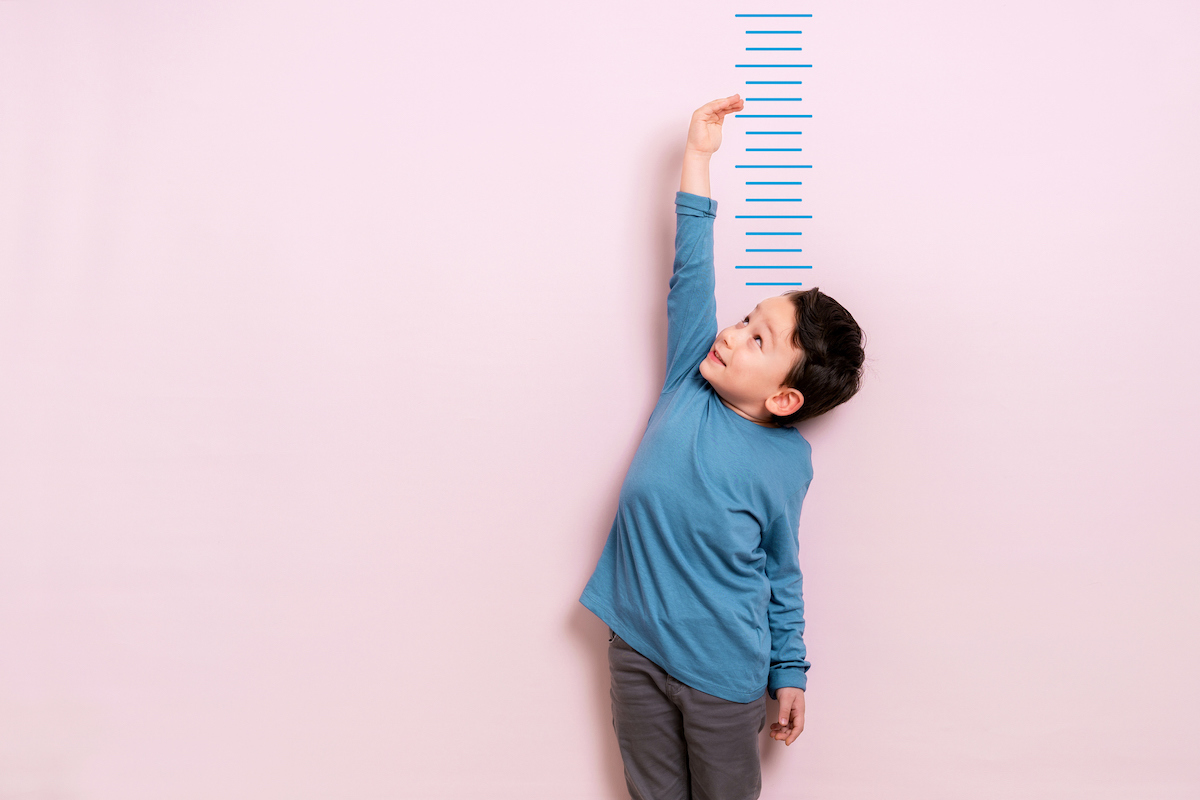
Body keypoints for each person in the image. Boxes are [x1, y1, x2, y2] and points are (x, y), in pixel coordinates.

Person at [578, 94, 866, 800]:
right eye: (745, 318)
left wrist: (790, 670)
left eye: (757, 339)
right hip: (635, 648)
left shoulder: (783, 462)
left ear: (784, 398)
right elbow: (691, 269)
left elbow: (781, 569)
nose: (733, 333)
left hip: (723, 675)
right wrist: (698, 158)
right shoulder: (688, 379)